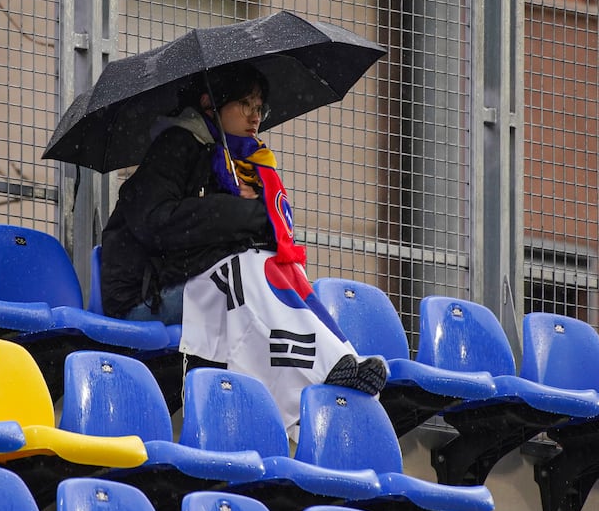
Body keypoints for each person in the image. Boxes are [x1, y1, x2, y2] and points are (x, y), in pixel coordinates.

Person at [99, 62, 386, 437]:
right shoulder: (175, 147)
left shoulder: (237, 163)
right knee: (247, 273)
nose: (255, 116)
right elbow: (157, 223)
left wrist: (252, 217)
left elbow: (225, 236)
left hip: (193, 283)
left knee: (276, 267)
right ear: (210, 103)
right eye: (245, 104)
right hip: (144, 296)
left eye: (259, 107)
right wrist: (245, 212)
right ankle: (310, 383)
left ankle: (342, 359)